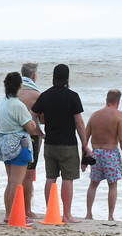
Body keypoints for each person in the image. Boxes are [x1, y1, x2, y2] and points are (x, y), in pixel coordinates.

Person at [31, 63, 88, 223]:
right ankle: (67, 215)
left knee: (51, 177)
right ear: (67, 78)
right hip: (67, 144)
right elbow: (79, 123)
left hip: (50, 143)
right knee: (67, 179)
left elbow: (32, 114)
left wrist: (40, 133)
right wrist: (84, 143)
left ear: (53, 77)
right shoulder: (72, 96)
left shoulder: (45, 95)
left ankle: (51, 212)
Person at [0, 72, 39, 222]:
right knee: (17, 183)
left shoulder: (1, 102)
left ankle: (8, 215)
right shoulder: (17, 105)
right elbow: (30, 128)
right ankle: (15, 215)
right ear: (20, 85)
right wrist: (32, 125)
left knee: (10, 181)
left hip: (5, 143)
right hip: (19, 144)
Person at [84, 90, 122, 222]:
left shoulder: (94, 115)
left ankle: (88, 214)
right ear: (118, 102)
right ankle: (110, 216)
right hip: (110, 154)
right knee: (112, 185)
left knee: (93, 184)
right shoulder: (119, 115)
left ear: (106, 100)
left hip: (96, 153)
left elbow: (85, 139)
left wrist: (84, 160)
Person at [17, 63, 41, 222]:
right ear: (34, 76)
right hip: (31, 136)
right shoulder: (36, 94)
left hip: (13, 136)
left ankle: (14, 207)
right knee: (28, 175)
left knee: (15, 175)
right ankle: (27, 209)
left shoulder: (14, 92)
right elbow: (43, 119)